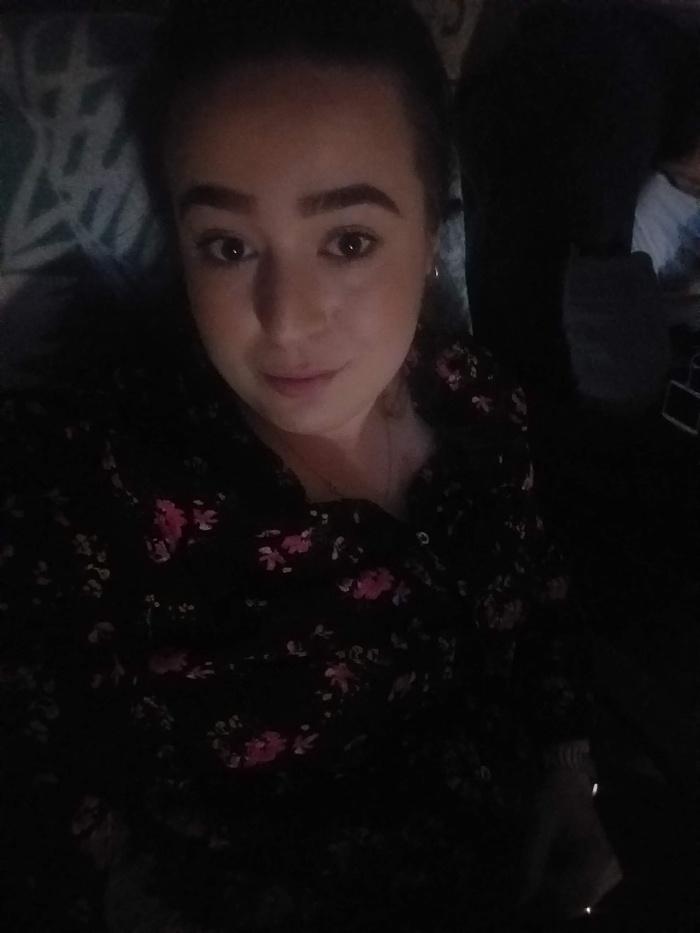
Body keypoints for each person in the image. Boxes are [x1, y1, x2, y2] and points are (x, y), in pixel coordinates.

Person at [0, 1, 620, 930]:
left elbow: (538, 600)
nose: (285, 319)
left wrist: (570, 774)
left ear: (431, 230)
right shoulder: (95, 487)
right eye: (228, 246)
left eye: (349, 240)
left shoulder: (477, 398)